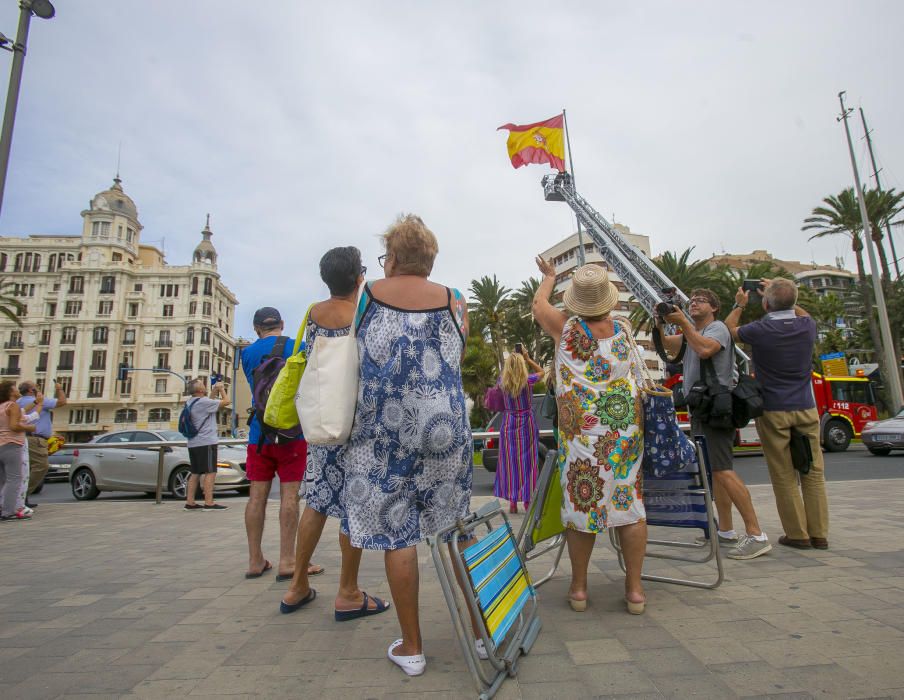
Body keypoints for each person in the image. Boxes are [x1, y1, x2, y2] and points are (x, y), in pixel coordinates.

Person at [344, 214, 472, 677]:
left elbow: (353, 346)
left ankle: (413, 648)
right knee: (455, 527)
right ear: (431, 259)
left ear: (392, 257)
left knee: (398, 536)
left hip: (383, 436)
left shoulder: (370, 294)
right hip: (446, 429)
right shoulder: (456, 300)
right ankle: (480, 635)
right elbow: (457, 354)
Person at [532, 259, 648, 614]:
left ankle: (580, 589)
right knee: (629, 507)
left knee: (583, 508)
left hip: (583, 434)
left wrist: (549, 277)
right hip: (624, 432)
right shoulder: (625, 330)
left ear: (577, 302)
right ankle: (635, 591)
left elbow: (538, 305)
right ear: (609, 301)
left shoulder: (566, 329)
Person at [281, 246, 390, 622]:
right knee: (352, 507)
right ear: (360, 278)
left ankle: (297, 585)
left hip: (323, 424)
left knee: (317, 502)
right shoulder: (364, 316)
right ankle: (348, 591)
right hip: (357, 428)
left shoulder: (312, 314)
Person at [657, 288, 772, 560]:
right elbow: (666, 346)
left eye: (701, 301)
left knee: (723, 470)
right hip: (702, 408)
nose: (693, 303)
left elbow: (706, 350)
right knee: (716, 472)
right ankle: (726, 531)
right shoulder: (693, 333)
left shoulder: (717, 328)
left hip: (716, 408)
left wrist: (684, 322)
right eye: (692, 301)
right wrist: (659, 323)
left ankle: (756, 534)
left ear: (714, 308)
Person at [726, 278, 829, 550]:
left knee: (783, 473)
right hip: (806, 406)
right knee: (814, 471)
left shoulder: (760, 329)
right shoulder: (807, 326)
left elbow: (727, 331)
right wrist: (782, 294)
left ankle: (797, 534)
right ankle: (819, 533)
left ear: (766, 303)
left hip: (773, 409)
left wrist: (740, 304)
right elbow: (801, 312)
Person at [241, 307, 323, 580]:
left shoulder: (247, 353)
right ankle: (288, 560)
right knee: (290, 497)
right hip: (292, 433)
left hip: (259, 435)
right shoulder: (298, 346)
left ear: (256, 328)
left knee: (256, 496)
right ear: (282, 323)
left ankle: (255, 560)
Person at [494, 348, 543, 513]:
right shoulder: (528, 380)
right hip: (526, 424)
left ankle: (513, 501)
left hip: (509, 424)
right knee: (528, 463)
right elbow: (542, 372)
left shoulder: (502, 382)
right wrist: (529, 359)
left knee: (510, 463)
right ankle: (527, 500)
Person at [183, 378, 231, 511]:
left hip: (193, 443)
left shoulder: (191, 402)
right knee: (210, 472)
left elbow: (209, 402)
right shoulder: (203, 402)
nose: (204, 385)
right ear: (199, 390)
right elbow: (227, 402)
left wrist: (214, 391)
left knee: (195, 472)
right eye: (202, 384)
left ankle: (190, 502)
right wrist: (221, 389)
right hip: (207, 442)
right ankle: (209, 502)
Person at [17, 379, 67, 506]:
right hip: (36, 439)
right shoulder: (38, 401)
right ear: (31, 390)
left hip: (25, 438)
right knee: (41, 466)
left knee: (25, 469)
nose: (39, 388)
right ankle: (22, 495)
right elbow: (62, 402)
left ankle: (21, 497)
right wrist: (59, 389)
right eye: (37, 387)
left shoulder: (18, 402)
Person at [1, 381, 36, 521]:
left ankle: (2, 508)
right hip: (12, 444)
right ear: (10, 392)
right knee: (14, 479)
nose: (17, 390)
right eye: (14, 388)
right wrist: (30, 428)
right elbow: (14, 426)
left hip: (0, 445)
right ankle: (9, 512)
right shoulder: (12, 405)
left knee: (1, 480)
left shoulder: (1, 406)